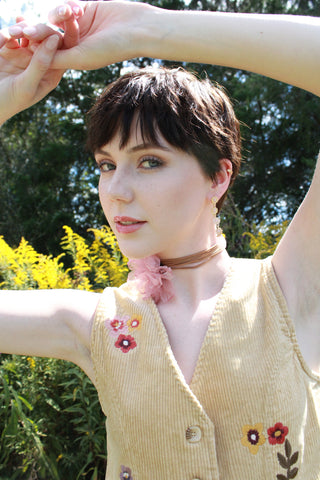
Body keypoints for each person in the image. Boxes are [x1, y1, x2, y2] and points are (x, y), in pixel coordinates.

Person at [0, 1, 319, 478]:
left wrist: (146, 29)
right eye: (107, 165)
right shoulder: (96, 323)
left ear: (218, 178)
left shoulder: (292, 287)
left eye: (149, 161)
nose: (116, 191)